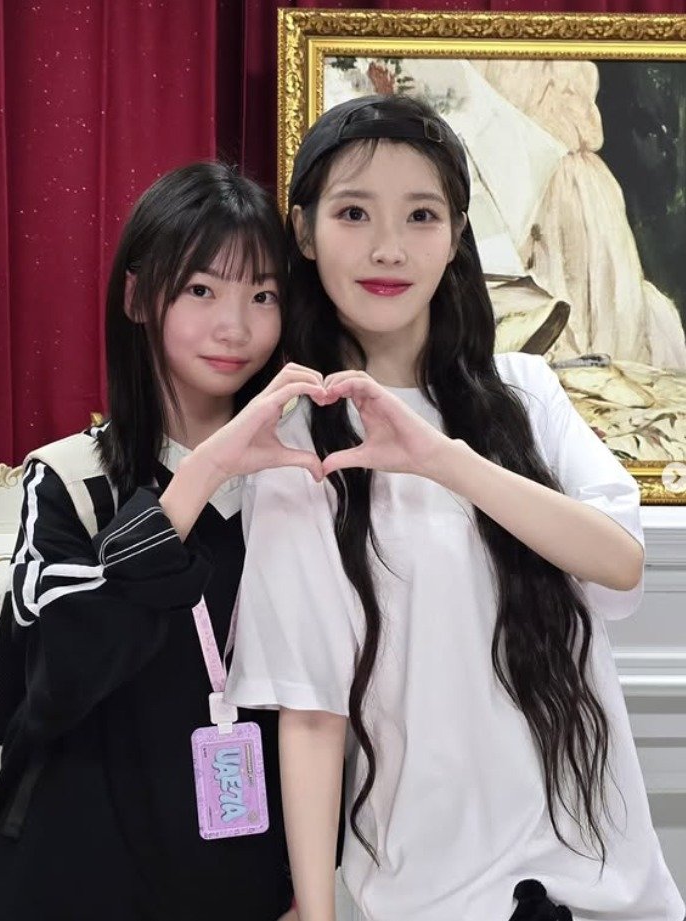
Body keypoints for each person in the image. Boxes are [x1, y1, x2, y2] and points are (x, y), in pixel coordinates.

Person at [224, 96, 685, 920]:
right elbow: (311, 710)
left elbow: (619, 558)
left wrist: (444, 458)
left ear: (457, 232)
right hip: (422, 894)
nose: (389, 248)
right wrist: (317, 912)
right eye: (353, 213)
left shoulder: (528, 394)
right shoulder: (296, 446)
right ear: (304, 231)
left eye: (422, 215)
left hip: (601, 888)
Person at [0, 162, 327, 921]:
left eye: (262, 295)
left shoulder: (298, 483)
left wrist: (313, 885)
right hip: (70, 877)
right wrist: (206, 471)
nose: (236, 326)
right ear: (136, 297)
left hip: (240, 878)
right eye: (201, 290)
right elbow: (65, 669)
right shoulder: (68, 479)